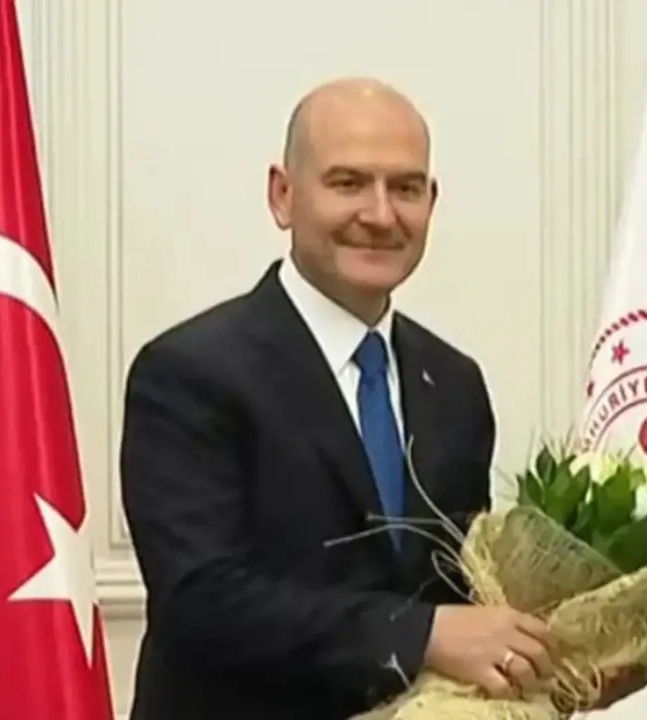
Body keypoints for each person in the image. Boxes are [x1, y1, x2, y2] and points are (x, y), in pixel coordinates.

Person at [118, 77, 556, 719]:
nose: (380, 215)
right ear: (283, 195)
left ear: (431, 201)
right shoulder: (189, 373)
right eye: (348, 183)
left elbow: (463, 594)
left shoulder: (455, 383)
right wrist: (420, 635)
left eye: (405, 188)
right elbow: (203, 599)